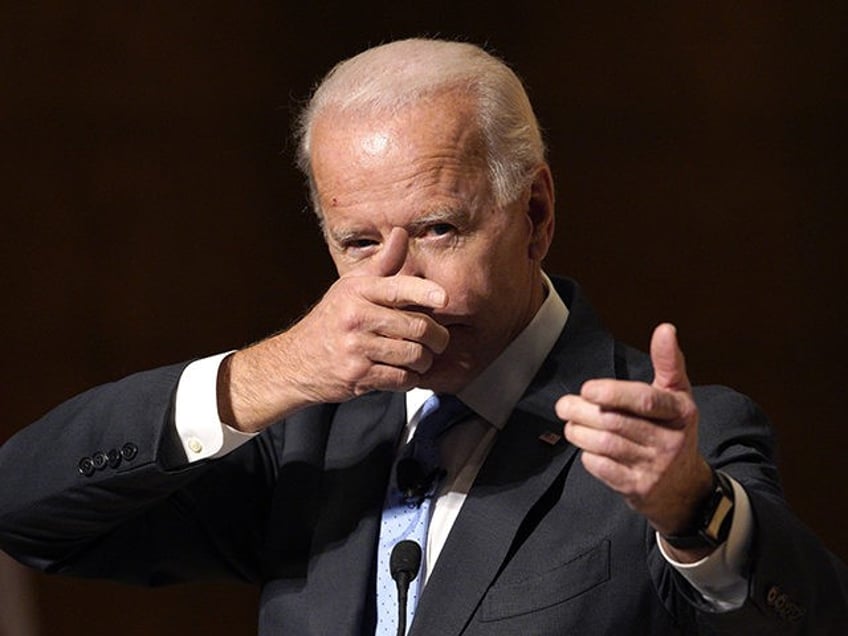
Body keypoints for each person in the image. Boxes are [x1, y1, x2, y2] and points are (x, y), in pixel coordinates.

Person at [0, 38, 845, 635]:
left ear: (536, 215)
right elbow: (24, 510)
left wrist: (693, 514)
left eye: (439, 229)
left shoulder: (677, 441)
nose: (400, 284)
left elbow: (805, 618)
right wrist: (259, 379)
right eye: (359, 244)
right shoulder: (306, 438)